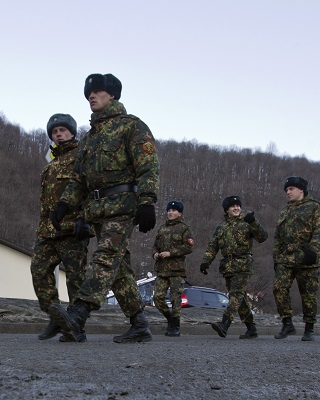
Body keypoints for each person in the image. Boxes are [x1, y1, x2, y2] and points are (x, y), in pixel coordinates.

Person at [49, 73, 160, 343]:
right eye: (89, 93)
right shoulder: (88, 139)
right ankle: (139, 324)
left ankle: (78, 315)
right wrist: (64, 204)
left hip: (123, 205)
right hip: (97, 210)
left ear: (112, 95)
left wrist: (147, 201)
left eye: (97, 92)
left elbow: (148, 166)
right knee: (119, 269)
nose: (91, 96)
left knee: (104, 258)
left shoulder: (131, 126)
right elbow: (78, 179)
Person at [30, 113, 89, 342]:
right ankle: (57, 318)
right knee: (39, 270)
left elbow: (90, 188)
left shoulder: (81, 157)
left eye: (63, 130)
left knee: (75, 279)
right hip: (47, 230)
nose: (59, 134)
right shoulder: (50, 166)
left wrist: (85, 219)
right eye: (55, 132)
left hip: (73, 227)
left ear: (72, 132)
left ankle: (76, 325)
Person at [200, 195, 268, 339]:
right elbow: (213, 247)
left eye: (238, 205)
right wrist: (206, 261)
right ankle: (251, 328)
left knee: (235, 294)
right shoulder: (221, 228)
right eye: (233, 206)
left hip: (243, 264)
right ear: (227, 210)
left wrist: (254, 222)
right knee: (240, 299)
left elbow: (263, 237)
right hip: (228, 266)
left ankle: (225, 324)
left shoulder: (247, 222)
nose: (236, 208)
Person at [273, 176, 320, 341]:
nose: (288, 192)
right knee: (279, 288)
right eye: (287, 190)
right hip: (286, 258)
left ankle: (309, 328)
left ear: (301, 190)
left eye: (291, 189)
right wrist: (276, 258)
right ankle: (287, 324)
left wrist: (313, 249)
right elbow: (278, 237)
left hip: (306, 257)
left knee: (308, 294)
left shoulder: (314, 207)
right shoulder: (285, 211)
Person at [152, 200, 195, 337]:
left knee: (175, 299)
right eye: (169, 210)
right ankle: (170, 319)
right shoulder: (162, 228)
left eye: (174, 210)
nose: (171, 212)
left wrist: (171, 253)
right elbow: (155, 245)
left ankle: (175, 326)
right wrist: (155, 254)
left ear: (180, 213)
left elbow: (189, 247)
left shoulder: (184, 229)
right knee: (157, 298)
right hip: (162, 269)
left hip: (177, 270)